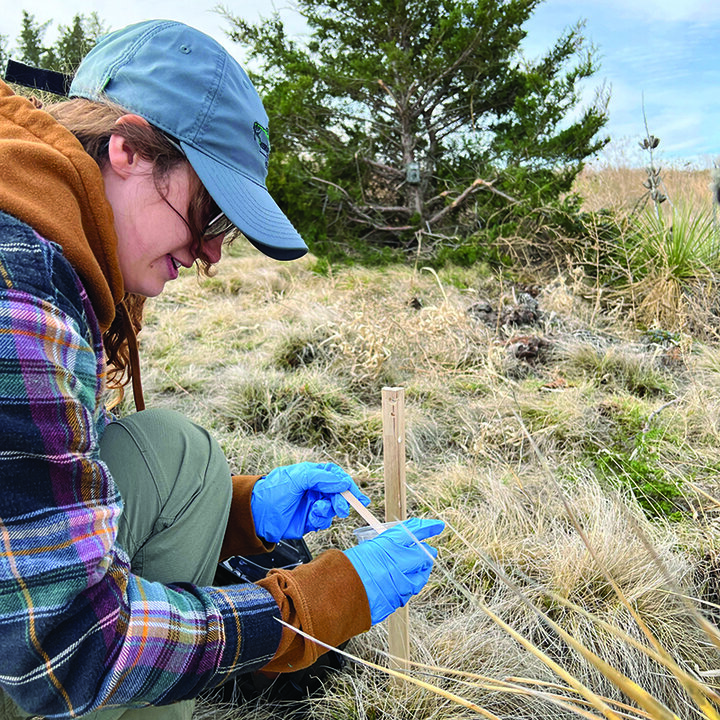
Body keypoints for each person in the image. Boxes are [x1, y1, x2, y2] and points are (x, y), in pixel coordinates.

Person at [0, 18, 444, 720]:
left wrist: (244, 513)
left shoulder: (39, 233)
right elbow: (72, 648)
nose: (211, 255)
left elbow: (36, 475)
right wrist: (309, 609)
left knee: (184, 457)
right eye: (209, 214)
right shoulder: (20, 299)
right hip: (46, 655)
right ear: (128, 151)